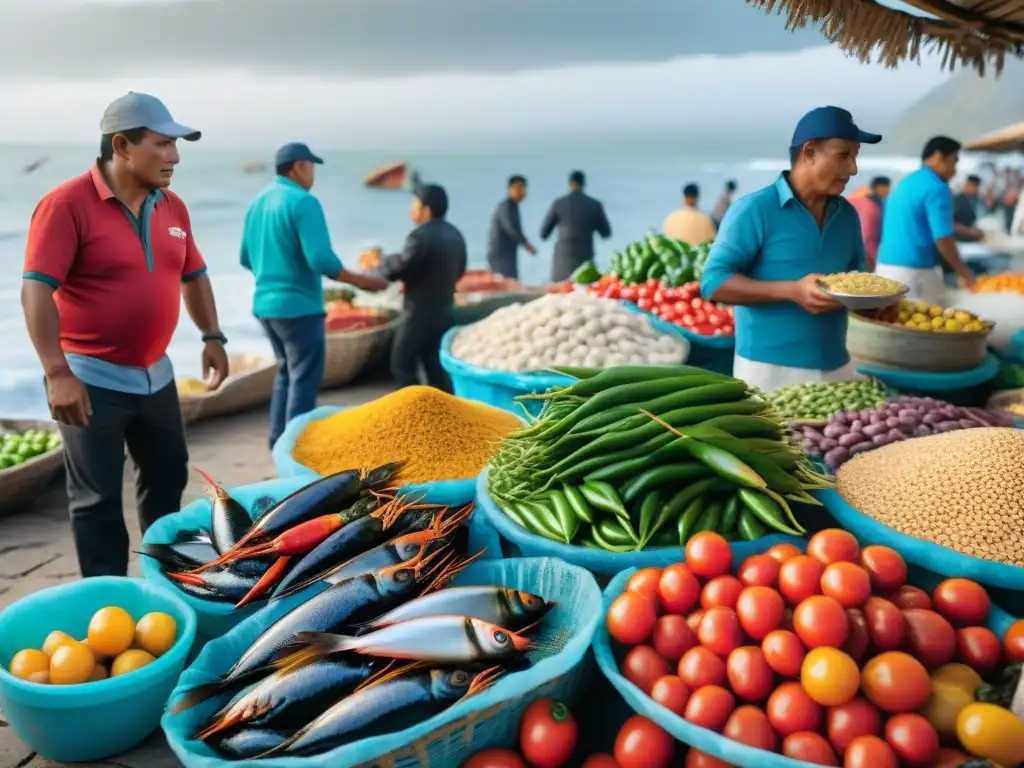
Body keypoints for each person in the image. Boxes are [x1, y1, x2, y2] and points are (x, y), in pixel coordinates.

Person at [20, 92, 229, 578]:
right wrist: (57, 373)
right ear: (121, 146)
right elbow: (36, 292)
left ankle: (169, 582)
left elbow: (193, 274)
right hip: (90, 378)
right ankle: (109, 599)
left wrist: (212, 336)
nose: (174, 156)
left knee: (167, 479)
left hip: (156, 375)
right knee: (96, 501)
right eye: (162, 144)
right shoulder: (65, 205)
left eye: (176, 145)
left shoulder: (171, 206)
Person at [700, 106, 880, 392]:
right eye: (844, 155)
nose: (853, 169)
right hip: (768, 372)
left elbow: (859, 277)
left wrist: (877, 302)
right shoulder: (754, 209)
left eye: (855, 156)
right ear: (809, 152)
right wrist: (793, 291)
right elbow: (712, 283)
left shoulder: (847, 214)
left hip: (838, 365)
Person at [240, 142, 387, 449]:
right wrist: (362, 281)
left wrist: (273, 272)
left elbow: (245, 257)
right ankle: (296, 450)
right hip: (299, 308)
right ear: (298, 167)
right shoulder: (303, 202)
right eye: (312, 167)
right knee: (304, 378)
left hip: (265, 306)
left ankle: (277, 442)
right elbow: (321, 260)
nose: (313, 174)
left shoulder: (258, 203)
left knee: (286, 371)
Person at [377, 182, 466, 391]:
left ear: (426, 210)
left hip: (419, 311)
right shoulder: (456, 235)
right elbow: (460, 270)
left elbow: (401, 268)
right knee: (435, 365)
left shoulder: (420, 235)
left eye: (415, 205)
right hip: (445, 308)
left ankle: (415, 412)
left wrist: (382, 262)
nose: (412, 210)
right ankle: (444, 413)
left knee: (401, 363)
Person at [876, 136, 975, 305]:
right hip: (914, 272)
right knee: (931, 326)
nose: (955, 170)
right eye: (954, 161)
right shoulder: (937, 187)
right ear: (938, 157)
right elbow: (943, 238)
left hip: (885, 268)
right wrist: (963, 272)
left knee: (895, 324)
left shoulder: (907, 181)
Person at [539, 170, 612, 282]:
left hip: (561, 265)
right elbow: (606, 233)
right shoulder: (594, 205)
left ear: (570, 183)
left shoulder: (559, 203)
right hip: (585, 265)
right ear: (584, 184)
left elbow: (543, 234)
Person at [486, 175, 535, 279]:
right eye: (518, 189)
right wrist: (526, 244)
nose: (522, 192)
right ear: (510, 190)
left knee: (511, 278)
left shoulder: (513, 206)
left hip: (508, 252)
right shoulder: (506, 207)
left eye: (523, 189)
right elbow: (511, 228)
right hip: (500, 253)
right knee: (506, 280)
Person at [847, 176, 890, 270]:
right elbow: (867, 233)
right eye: (887, 188)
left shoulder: (871, 202)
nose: (888, 191)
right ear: (880, 187)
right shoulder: (871, 206)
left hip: (862, 252)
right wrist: (871, 257)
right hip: (866, 255)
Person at [952, 174, 986, 243]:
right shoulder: (957, 201)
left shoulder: (975, 200)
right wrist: (970, 231)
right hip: (959, 241)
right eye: (973, 186)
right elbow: (951, 223)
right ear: (967, 185)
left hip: (971, 241)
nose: (975, 190)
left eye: (976, 187)